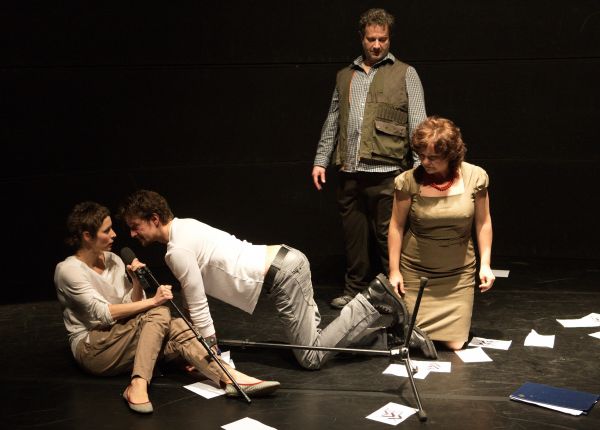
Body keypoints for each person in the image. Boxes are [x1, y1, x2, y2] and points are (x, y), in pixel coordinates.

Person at [117, 190, 437, 371]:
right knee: (320, 341)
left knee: (310, 357)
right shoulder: (186, 226)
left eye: (135, 226)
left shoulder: (177, 250)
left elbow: (198, 302)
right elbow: (194, 297)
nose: (132, 234)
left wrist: (209, 350)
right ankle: (389, 335)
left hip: (283, 275)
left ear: (154, 219)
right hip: (288, 261)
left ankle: (372, 300)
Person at [54, 202, 279, 414]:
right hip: (94, 350)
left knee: (177, 324)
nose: (114, 234)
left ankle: (230, 378)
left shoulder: (113, 259)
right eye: (106, 230)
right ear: (87, 236)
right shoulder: (68, 270)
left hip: (122, 337)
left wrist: (136, 283)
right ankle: (138, 384)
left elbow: (129, 305)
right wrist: (153, 301)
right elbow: (103, 314)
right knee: (159, 311)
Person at [311, 8, 428, 310]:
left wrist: (420, 168)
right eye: (371, 39)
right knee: (354, 237)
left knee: (388, 237)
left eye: (382, 39)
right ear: (361, 38)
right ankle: (354, 291)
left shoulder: (405, 73)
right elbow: (333, 120)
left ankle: (395, 295)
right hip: (350, 171)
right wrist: (321, 160)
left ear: (390, 39)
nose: (377, 45)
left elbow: (418, 123)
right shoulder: (345, 76)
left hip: (388, 172)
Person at [387, 116, 495, 350]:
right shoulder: (408, 181)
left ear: (451, 155)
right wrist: (394, 271)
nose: (425, 162)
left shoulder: (475, 177)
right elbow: (396, 226)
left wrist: (485, 264)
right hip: (417, 272)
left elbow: (483, 222)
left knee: (455, 344)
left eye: (433, 157)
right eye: (421, 155)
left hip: (457, 274)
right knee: (411, 340)